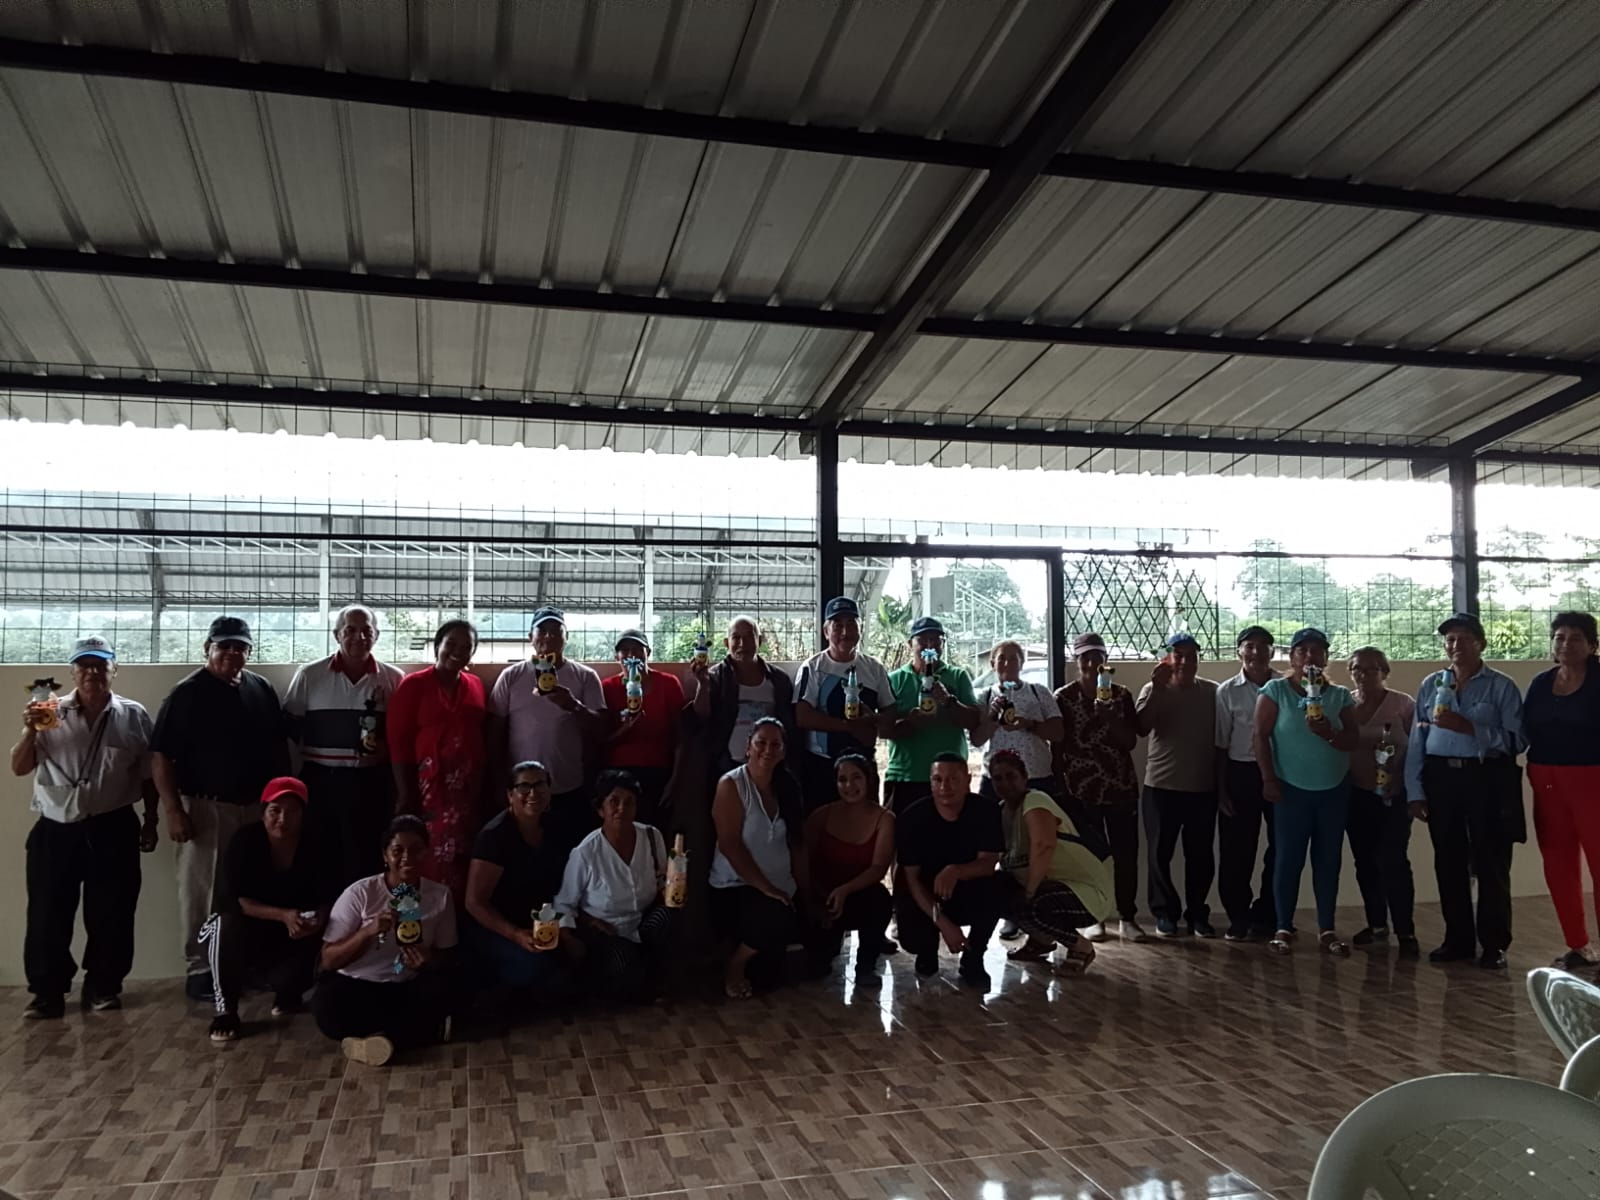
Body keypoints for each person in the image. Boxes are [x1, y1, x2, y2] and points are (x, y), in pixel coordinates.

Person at [10, 636, 159, 1018]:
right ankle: (47, 993)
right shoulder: (48, 710)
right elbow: (19, 767)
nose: (92, 672)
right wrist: (30, 731)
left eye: (100, 665)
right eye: (84, 665)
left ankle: (104, 987)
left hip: (114, 826)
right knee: (47, 914)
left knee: (113, 913)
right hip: (55, 828)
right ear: (72, 672)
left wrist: (151, 820)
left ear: (114, 669)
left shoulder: (133, 715)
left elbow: (148, 775)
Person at [152, 616, 290, 1000]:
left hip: (257, 810)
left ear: (249, 651)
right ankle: (201, 969)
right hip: (205, 809)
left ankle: (246, 965)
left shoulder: (261, 689)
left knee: (252, 889)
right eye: (223, 645)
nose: (231, 652)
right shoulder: (187, 693)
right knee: (204, 891)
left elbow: (278, 749)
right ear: (207, 648)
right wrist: (173, 810)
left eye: (239, 646)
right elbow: (160, 757)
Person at [1406, 612, 1526, 971]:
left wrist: (1469, 727)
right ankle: (1457, 940)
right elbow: (1417, 739)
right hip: (1441, 778)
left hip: (1486, 778)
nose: (1455, 645)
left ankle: (1494, 943)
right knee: (1448, 860)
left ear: (1481, 644)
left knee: (1491, 861)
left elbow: (1517, 740)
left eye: (1463, 639)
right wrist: (1415, 790)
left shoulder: (1501, 686)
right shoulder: (1431, 684)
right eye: (1450, 640)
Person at [314, 815, 457, 1067]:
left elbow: (447, 954)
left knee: (449, 989)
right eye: (398, 850)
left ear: (426, 853)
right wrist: (367, 931)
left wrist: (428, 961)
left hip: (406, 985)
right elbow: (328, 959)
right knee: (328, 1006)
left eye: (416, 850)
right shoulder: (360, 893)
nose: (407, 858)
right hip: (358, 986)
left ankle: (374, 1040)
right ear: (385, 855)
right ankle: (405, 1036)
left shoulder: (440, 896)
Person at [200, 776, 333, 1043]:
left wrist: (318, 919)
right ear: (263, 813)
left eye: (292, 811)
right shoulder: (244, 841)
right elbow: (233, 900)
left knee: (333, 929)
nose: (283, 819)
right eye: (275, 811)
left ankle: (289, 993)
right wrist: (282, 916)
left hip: (294, 933)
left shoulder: (317, 843)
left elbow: (330, 895)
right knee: (224, 925)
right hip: (247, 929)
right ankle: (225, 1010)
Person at [282, 605, 405, 890]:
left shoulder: (393, 678)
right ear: (336, 634)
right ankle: (326, 915)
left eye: (366, 630)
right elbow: (289, 730)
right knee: (321, 853)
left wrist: (386, 751)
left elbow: (402, 734)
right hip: (320, 780)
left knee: (368, 854)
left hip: (371, 781)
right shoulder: (310, 675)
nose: (359, 637)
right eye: (350, 630)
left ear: (377, 635)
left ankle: (365, 914)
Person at [1254, 628, 1359, 956]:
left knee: (1328, 860)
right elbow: (1260, 736)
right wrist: (1269, 779)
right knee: (1288, 859)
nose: (1310, 656)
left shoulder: (1340, 696)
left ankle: (1327, 928)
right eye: (1302, 651)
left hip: (1333, 789)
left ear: (1326, 658)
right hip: (1290, 790)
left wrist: (1328, 733)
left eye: (1317, 651)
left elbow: (1352, 740)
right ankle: (1283, 927)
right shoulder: (1275, 691)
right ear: (1292, 657)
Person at [488, 606, 607, 854]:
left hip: (569, 786)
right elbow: (494, 732)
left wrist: (573, 705)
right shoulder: (511, 676)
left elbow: (600, 729)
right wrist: (499, 781)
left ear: (567, 637)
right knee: (523, 856)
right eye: (542, 631)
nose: (549, 636)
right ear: (530, 637)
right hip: (522, 790)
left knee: (568, 855)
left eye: (556, 631)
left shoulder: (585, 676)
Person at [555, 769, 676, 1003]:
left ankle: (652, 971)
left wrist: (672, 891)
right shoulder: (586, 852)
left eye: (629, 802)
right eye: (614, 802)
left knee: (669, 915)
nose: (622, 808)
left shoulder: (652, 837)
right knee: (623, 965)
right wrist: (579, 931)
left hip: (642, 923)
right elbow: (565, 904)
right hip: (606, 930)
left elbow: (663, 879)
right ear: (601, 809)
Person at [709, 717, 810, 998]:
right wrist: (767, 889)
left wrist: (807, 894)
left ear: (784, 751)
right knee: (776, 914)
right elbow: (729, 845)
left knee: (774, 976)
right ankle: (736, 964)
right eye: (761, 743)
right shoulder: (731, 784)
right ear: (748, 747)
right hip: (737, 887)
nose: (768, 750)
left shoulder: (788, 787)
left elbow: (798, 845)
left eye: (775, 744)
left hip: (781, 890)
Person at [388, 619, 487, 904]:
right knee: (429, 854)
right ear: (437, 647)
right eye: (451, 644)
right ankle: (423, 918)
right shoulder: (414, 685)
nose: (458, 651)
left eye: (466, 647)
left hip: (466, 791)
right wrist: (405, 794)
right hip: (428, 790)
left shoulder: (475, 685)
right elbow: (398, 743)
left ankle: (455, 919)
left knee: (463, 855)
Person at [1055, 633, 1145, 942]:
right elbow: (1058, 746)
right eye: (1086, 657)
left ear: (1106, 661)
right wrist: (1061, 789)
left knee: (1126, 855)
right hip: (1081, 791)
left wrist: (1110, 717)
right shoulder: (1063, 698)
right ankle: (1094, 917)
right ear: (1076, 660)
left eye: (1098, 656)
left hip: (1120, 788)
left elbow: (1130, 741)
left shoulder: (1121, 695)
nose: (1092, 663)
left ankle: (1128, 917)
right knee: (1089, 858)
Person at [1523, 612, 1600, 970]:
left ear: (1593, 645)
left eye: (1576, 638)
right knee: (1557, 864)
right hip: (1546, 779)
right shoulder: (1541, 683)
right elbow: (1524, 729)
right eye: (1560, 637)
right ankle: (1578, 946)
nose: (1566, 644)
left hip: (1592, 779)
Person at [990, 750, 1113, 973]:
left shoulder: (1035, 799)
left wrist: (1028, 893)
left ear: (1025, 777)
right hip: (1049, 889)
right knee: (993, 891)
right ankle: (1040, 941)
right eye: (998, 778)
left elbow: (1043, 845)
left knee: (1027, 905)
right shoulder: (1001, 812)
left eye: (1011, 776)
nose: (1005, 783)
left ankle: (1081, 947)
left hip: (1084, 893)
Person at [895, 753, 1006, 988]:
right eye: (938, 779)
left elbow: (988, 863)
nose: (945, 787)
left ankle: (974, 957)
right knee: (913, 937)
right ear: (930, 782)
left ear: (968, 780)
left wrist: (955, 871)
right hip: (925, 892)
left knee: (998, 887)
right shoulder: (912, 817)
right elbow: (912, 879)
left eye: (953, 779)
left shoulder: (986, 811)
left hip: (966, 886)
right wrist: (943, 923)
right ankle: (927, 951)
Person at [461, 761, 572, 995]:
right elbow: (474, 902)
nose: (533, 793)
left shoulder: (557, 827)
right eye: (524, 787)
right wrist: (515, 934)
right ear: (510, 795)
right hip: (498, 927)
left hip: (542, 924)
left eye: (540, 785)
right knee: (537, 970)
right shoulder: (494, 837)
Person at [1136, 632, 1219, 938]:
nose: (1185, 661)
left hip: (1203, 789)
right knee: (1159, 855)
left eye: (1191, 655)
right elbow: (1141, 727)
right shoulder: (1152, 689)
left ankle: (1197, 914)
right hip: (1161, 787)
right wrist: (1157, 689)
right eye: (1178, 655)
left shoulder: (1213, 692)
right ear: (1167, 659)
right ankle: (1165, 913)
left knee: (1201, 857)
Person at [1345, 646, 1417, 953]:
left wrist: (1410, 788)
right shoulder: (1345, 703)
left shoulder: (1403, 704)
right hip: (1356, 795)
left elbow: (1419, 748)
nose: (1363, 675)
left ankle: (1406, 932)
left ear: (1384, 672)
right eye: (1357, 669)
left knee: (1394, 861)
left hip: (1394, 796)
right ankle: (1376, 924)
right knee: (1365, 862)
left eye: (1371, 669)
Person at [794, 596, 893, 811]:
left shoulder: (874, 668)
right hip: (822, 765)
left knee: (866, 825)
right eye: (837, 625)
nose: (845, 632)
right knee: (820, 825)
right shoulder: (813, 667)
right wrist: (848, 727)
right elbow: (802, 716)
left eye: (851, 624)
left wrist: (874, 720)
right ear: (826, 631)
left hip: (863, 765)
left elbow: (891, 714)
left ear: (860, 629)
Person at [803, 753, 894, 981]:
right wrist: (815, 898)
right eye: (842, 779)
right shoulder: (821, 816)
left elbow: (879, 868)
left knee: (880, 899)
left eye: (856, 778)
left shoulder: (885, 819)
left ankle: (866, 966)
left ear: (868, 780)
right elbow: (802, 862)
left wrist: (845, 891)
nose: (849, 785)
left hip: (858, 895)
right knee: (817, 966)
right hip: (822, 897)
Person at [1214, 626, 1279, 941]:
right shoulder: (1226, 691)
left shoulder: (1286, 687)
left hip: (1281, 773)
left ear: (1272, 652)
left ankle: (1268, 914)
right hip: (1240, 774)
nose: (1256, 653)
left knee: (1281, 849)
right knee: (1237, 851)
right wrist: (1221, 789)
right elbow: (1220, 743)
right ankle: (1238, 917)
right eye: (1249, 646)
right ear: (1239, 651)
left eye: (1263, 646)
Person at [883, 617, 981, 815]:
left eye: (936, 640)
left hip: (950, 778)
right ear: (910, 644)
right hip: (905, 777)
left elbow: (973, 721)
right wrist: (910, 722)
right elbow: (883, 730)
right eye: (922, 640)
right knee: (904, 832)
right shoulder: (894, 680)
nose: (930, 645)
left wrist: (949, 701)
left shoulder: (957, 676)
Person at [689, 615, 798, 778]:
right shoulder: (716, 677)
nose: (742, 644)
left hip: (770, 766)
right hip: (726, 766)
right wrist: (703, 684)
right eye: (736, 637)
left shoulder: (779, 680)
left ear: (759, 640)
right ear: (726, 643)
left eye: (748, 637)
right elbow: (700, 716)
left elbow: (788, 725)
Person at [599, 630, 685, 828]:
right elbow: (600, 741)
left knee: (655, 832)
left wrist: (676, 781)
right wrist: (626, 728)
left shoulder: (668, 684)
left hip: (659, 773)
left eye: (637, 649)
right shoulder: (608, 688)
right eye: (625, 650)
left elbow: (682, 737)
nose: (631, 655)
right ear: (616, 657)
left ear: (648, 653)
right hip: (618, 776)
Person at [973, 640, 1063, 795]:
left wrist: (1029, 724)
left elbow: (1058, 733)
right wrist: (993, 718)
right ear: (993, 664)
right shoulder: (985, 697)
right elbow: (977, 740)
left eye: (1013, 659)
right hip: (996, 779)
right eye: (1001, 658)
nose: (1007, 663)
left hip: (1036, 776)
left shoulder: (1039, 692)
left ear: (1022, 664)